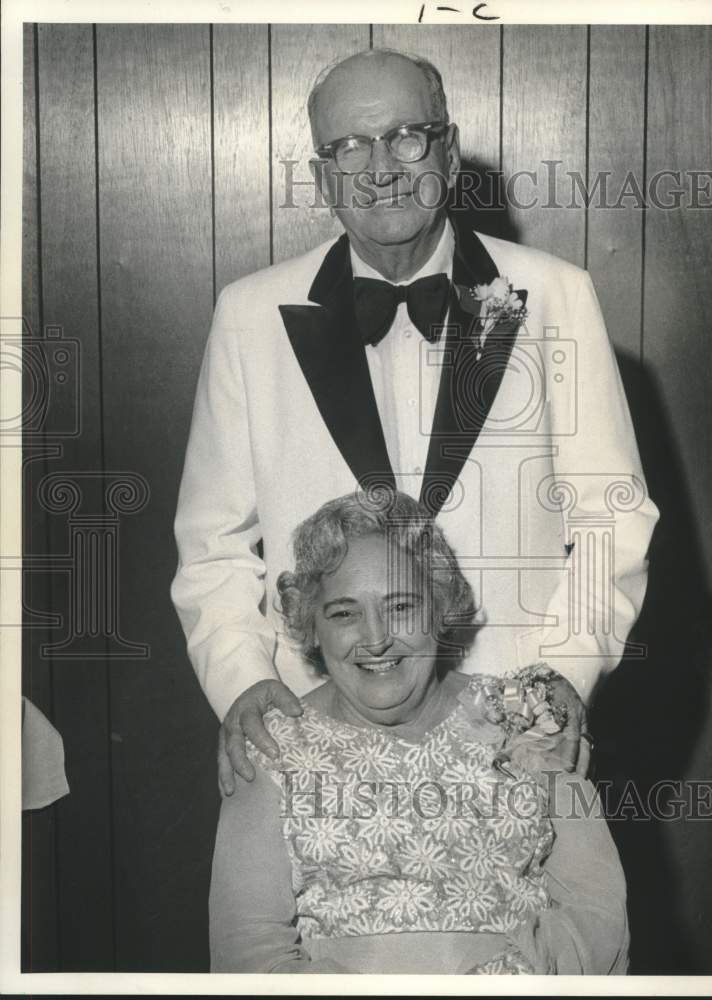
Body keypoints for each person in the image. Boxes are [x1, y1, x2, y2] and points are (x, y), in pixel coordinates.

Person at [170, 47, 659, 794]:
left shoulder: (557, 295)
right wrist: (241, 682)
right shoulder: (247, 314)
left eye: (406, 135)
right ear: (322, 174)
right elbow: (211, 548)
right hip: (311, 735)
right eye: (350, 146)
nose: (380, 167)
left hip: (513, 730)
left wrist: (561, 675)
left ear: (449, 150)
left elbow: (610, 520)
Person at [208, 492, 630, 974]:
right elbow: (248, 951)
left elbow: (598, 915)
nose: (376, 638)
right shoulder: (269, 746)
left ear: (439, 607)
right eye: (344, 613)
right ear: (312, 626)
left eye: (401, 606)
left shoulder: (528, 717)